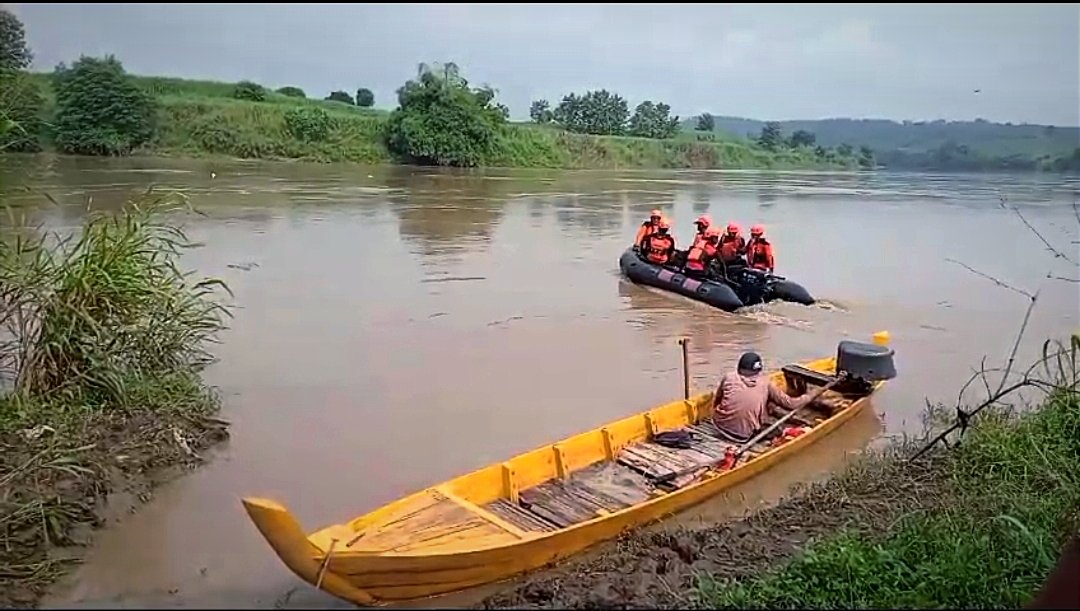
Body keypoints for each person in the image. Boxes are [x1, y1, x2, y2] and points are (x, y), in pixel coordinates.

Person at [710, 351, 814, 443]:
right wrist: (809, 396)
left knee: (765, 404)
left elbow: (717, 400)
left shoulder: (729, 377)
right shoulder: (765, 383)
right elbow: (791, 404)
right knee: (776, 430)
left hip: (718, 425)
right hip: (742, 436)